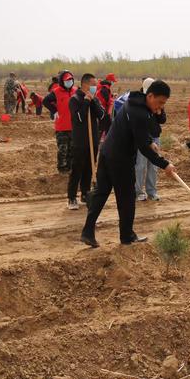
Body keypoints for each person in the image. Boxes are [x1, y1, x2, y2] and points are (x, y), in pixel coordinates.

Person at [81, 80, 176, 248]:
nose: (160, 107)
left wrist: (148, 140)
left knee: (102, 192)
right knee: (126, 198)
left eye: (163, 104)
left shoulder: (134, 101)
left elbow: (139, 131)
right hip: (120, 158)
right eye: (159, 102)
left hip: (106, 152)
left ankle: (87, 232)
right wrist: (165, 164)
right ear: (150, 96)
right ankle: (127, 236)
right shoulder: (139, 112)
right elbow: (144, 147)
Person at [67, 73, 110, 210]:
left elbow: (102, 116)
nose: (95, 87)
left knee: (89, 168)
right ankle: (72, 197)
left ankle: (85, 193)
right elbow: (79, 118)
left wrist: (93, 102)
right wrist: (85, 101)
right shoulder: (75, 99)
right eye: (93, 85)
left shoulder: (95, 99)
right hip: (80, 141)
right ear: (85, 84)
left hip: (93, 140)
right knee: (77, 169)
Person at [135, 77, 166, 201]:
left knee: (153, 166)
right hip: (142, 137)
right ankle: (138, 192)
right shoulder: (139, 101)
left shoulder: (158, 101)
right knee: (140, 165)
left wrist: (159, 113)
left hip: (155, 136)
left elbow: (163, 120)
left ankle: (152, 192)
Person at [42, 70, 77, 173]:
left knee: (72, 149)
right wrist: (54, 110)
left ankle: (69, 168)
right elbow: (45, 101)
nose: (69, 82)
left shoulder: (76, 91)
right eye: (67, 80)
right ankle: (62, 169)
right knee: (63, 149)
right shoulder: (56, 92)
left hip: (74, 126)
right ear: (62, 81)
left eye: (71, 80)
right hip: (62, 127)